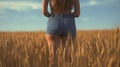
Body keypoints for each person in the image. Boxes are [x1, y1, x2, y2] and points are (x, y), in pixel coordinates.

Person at [42, 0, 80, 67]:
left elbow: (44, 12)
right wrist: (69, 17)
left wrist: (52, 16)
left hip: (54, 21)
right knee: (67, 58)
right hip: (69, 22)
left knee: (53, 58)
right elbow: (77, 13)